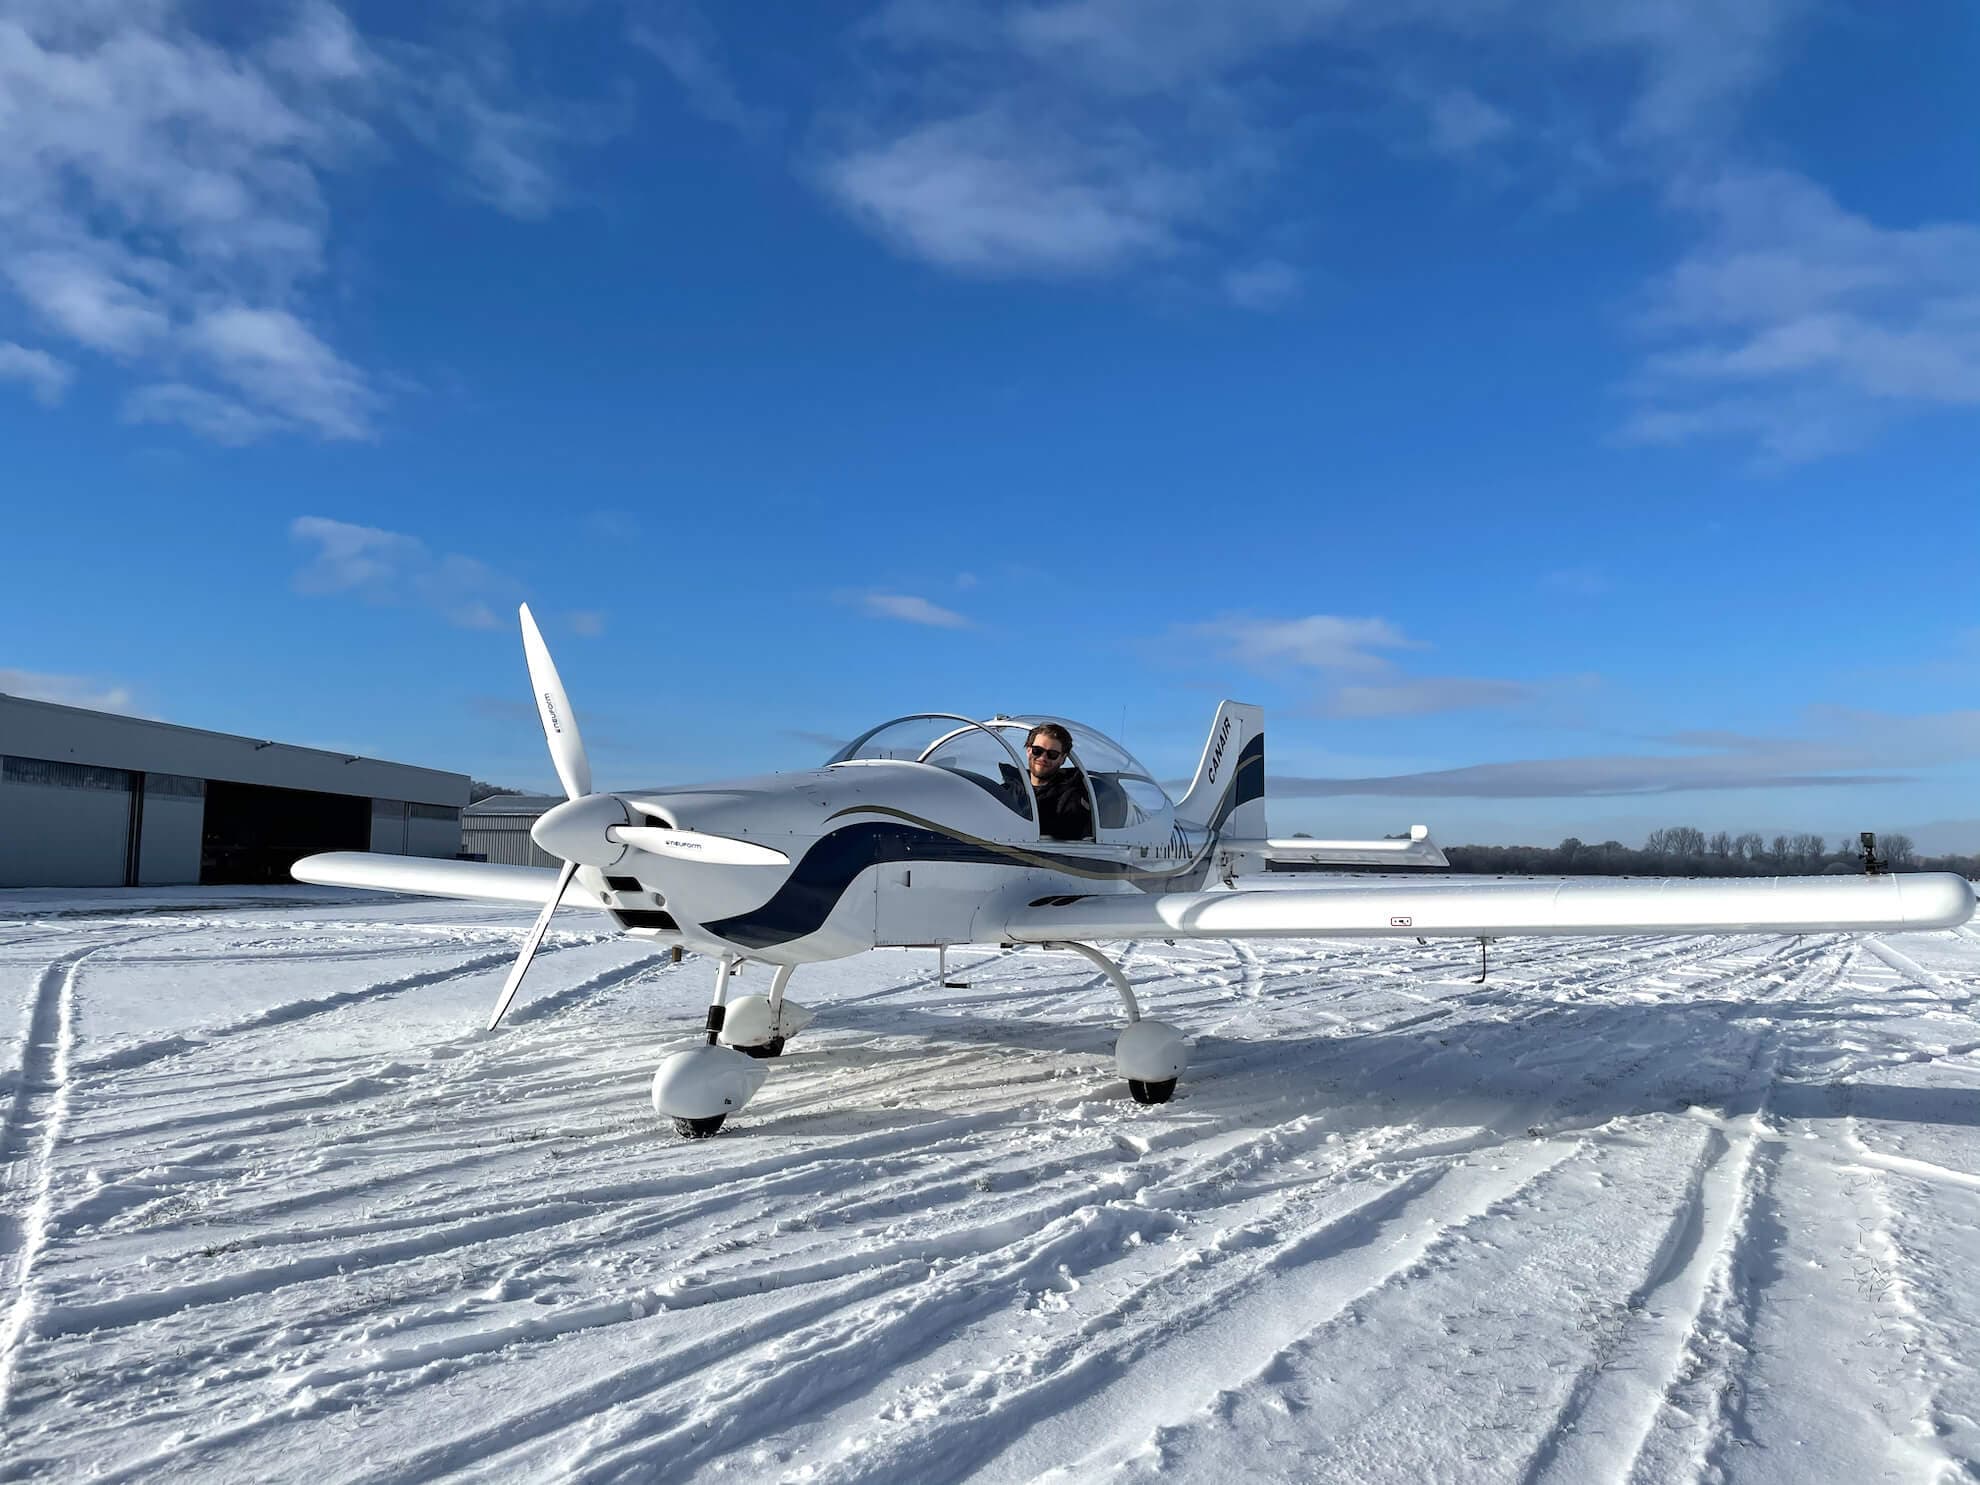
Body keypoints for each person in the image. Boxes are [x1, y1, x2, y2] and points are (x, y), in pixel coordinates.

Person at [1026, 722, 1093, 841]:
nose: (1043, 758)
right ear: (1028, 750)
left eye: (1052, 754)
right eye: (1037, 750)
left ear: (1062, 759)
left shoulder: (1072, 798)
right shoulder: (1008, 790)